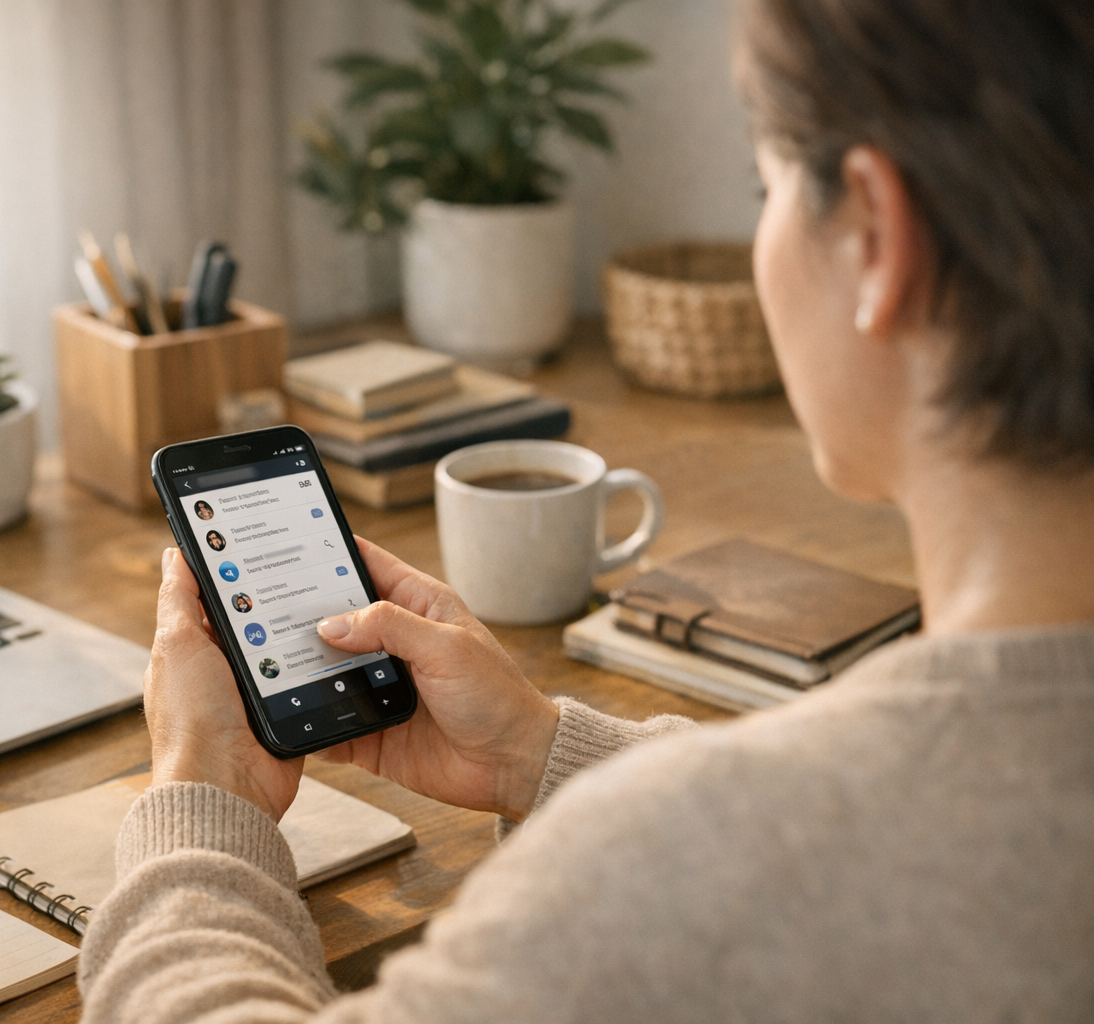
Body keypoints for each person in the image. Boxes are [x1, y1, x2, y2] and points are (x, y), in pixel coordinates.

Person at [79, 0, 1094, 1020]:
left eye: (764, 182)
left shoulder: (673, 870)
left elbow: (770, 854)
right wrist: (540, 749)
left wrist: (202, 799)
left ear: (877, 236)